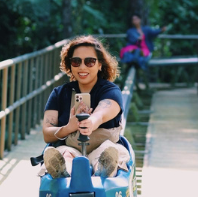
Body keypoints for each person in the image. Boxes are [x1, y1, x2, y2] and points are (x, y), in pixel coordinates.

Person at [41, 36, 131, 179]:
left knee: (108, 153)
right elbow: (47, 133)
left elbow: (102, 112)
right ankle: (64, 173)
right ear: (70, 65)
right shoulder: (59, 93)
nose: (82, 67)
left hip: (103, 146)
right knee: (64, 154)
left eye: (89, 61)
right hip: (70, 148)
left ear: (99, 64)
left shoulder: (110, 91)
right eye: (76, 62)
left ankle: (102, 171)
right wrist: (69, 127)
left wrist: (91, 122)